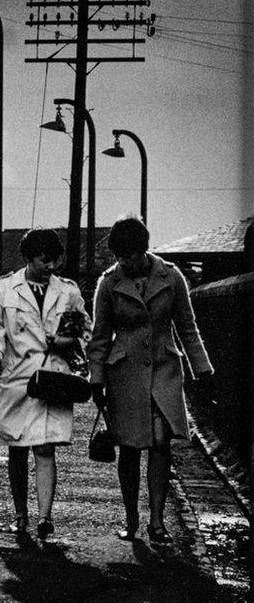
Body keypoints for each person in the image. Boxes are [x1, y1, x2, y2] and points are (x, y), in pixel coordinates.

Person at [87, 216, 213, 544]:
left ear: (142, 249)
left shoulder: (171, 278)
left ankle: (157, 521)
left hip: (164, 369)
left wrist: (203, 369)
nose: (122, 262)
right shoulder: (108, 283)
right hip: (124, 374)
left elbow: (187, 325)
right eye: (117, 256)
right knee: (130, 447)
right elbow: (100, 335)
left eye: (127, 255)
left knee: (160, 442)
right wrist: (95, 377)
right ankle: (131, 519)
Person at [0, 228, 91, 541]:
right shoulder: (4, 288)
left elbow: (80, 331)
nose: (50, 266)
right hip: (15, 379)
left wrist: (62, 341)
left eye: (54, 260)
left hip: (52, 379)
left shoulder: (68, 292)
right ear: (28, 258)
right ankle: (20, 515)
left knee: (44, 447)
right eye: (44, 260)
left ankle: (44, 517)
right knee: (17, 449)